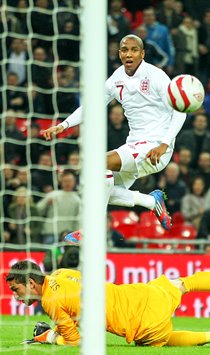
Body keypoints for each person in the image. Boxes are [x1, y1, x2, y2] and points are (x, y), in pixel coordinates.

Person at [41, 34, 187, 242]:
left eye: (134, 50)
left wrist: (164, 144)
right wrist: (64, 125)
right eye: (124, 50)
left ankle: (91, 229)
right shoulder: (117, 78)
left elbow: (180, 111)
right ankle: (150, 201)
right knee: (100, 186)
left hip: (155, 147)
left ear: (142, 53)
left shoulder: (157, 76)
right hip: (134, 146)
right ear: (119, 53)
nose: (129, 54)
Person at [6, 258, 210, 346]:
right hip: (139, 295)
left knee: (160, 338)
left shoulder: (50, 302)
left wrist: (46, 337)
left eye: (17, 290)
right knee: (185, 283)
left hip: (137, 322)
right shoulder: (62, 273)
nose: (17, 297)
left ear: (30, 283)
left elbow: (76, 343)